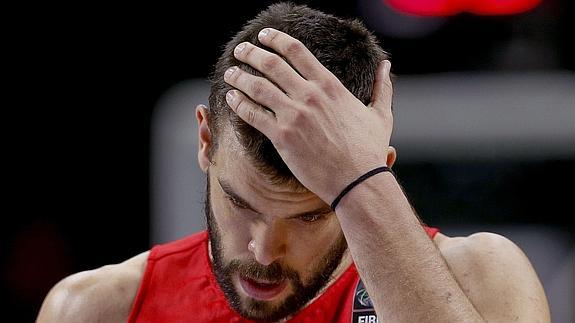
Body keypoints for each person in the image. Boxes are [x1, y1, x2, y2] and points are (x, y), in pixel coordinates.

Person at [37, 2, 550, 322]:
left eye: (309, 215)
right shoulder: (96, 309)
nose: (263, 251)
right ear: (205, 139)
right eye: (241, 203)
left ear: (379, 171)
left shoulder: (482, 278)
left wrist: (358, 180)